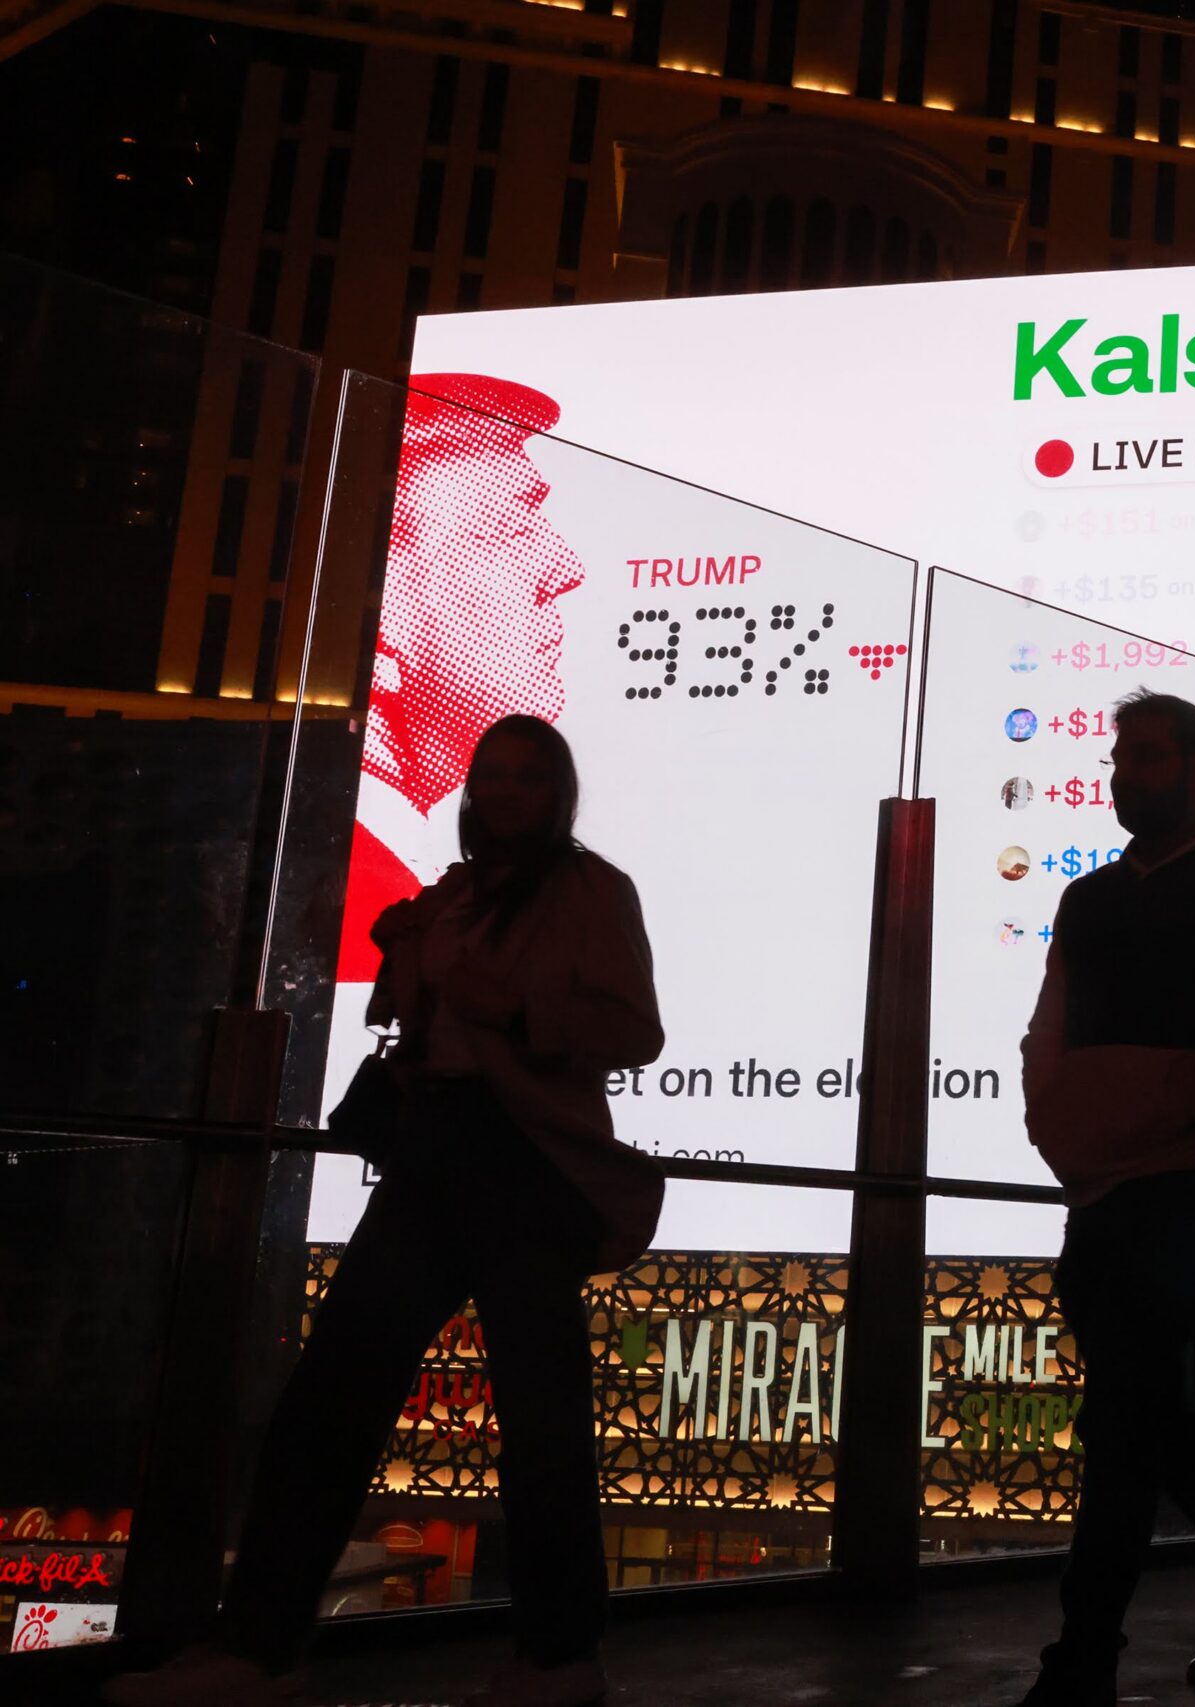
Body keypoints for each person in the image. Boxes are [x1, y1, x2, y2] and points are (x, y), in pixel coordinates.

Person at [111, 717, 664, 1707]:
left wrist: (507, 1004)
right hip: (433, 1151)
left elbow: (633, 1029)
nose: (502, 791)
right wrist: (406, 957)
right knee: (331, 1398)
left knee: (537, 1417)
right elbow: (425, 1031)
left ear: (559, 792)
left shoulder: (591, 889)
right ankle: (260, 1647)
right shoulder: (454, 893)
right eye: (489, 773)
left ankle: (558, 1658)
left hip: (525, 1158)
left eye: (526, 777)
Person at [1015, 691, 1195, 1706]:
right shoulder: (1088, 900)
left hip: (1192, 1190)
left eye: (1147, 756)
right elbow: (1050, 1027)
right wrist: (1059, 1132)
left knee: (1124, 1423)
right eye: (1120, 756)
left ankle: (1085, 1655)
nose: (1123, 773)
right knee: (1148, 1424)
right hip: (1104, 1191)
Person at [339, 377, 587, 983]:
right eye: (507, 532)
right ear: (388, 606)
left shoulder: (434, 878)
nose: (565, 568)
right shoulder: (337, 888)